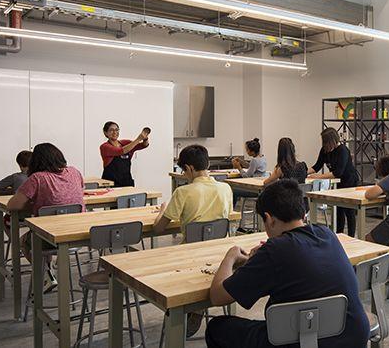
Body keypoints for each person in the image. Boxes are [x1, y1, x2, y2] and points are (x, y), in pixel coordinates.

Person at [205, 180, 370, 348]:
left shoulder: (274, 251)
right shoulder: (327, 234)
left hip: (305, 341)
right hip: (353, 338)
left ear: (269, 219)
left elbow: (218, 296)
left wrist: (230, 257)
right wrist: (262, 257)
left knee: (216, 328)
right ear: (303, 214)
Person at [154, 144, 233, 337]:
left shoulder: (183, 192)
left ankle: (187, 308)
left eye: (183, 171)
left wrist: (163, 210)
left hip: (189, 257)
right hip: (219, 255)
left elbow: (158, 228)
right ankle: (198, 308)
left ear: (189, 168)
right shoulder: (226, 188)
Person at [7, 143, 85, 265]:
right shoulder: (74, 172)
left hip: (47, 236)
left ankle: (46, 271)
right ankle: (48, 270)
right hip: (77, 233)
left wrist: (33, 203)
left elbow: (12, 205)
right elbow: (81, 191)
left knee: (23, 241)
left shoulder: (37, 178)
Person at [308, 128, 359, 236]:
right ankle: (339, 235)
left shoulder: (343, 150)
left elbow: (338, 172)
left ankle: (351, 237)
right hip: (338, 183)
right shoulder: (324, 150)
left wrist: (319, 177)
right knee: (338, 210)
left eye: (326, 142)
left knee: (349, 211)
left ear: (332, 141)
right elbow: (317, 166)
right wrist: (304, 172)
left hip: (349, 182)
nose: (324, 145)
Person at [99, 121, 149, 187]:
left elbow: (143, 145)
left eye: (117, 130)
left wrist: (145, 138)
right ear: (105, 132)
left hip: (127, 183)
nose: (115, 132)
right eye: (111, 130)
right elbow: (121, 151)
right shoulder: (105, 147)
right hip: (111, 184)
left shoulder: (125, 143)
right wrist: (138, 139)